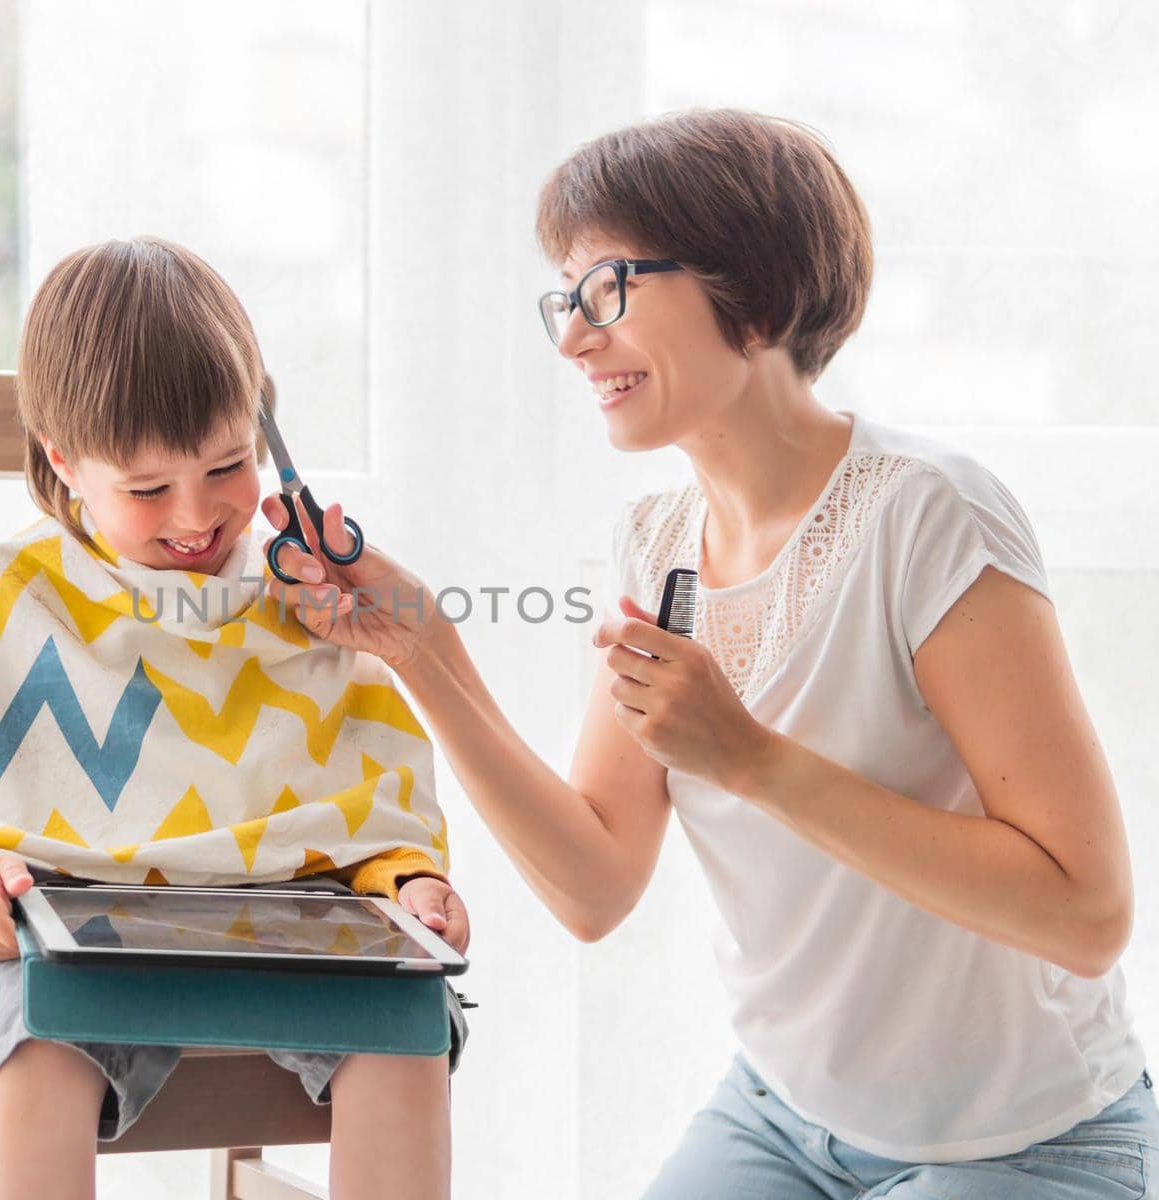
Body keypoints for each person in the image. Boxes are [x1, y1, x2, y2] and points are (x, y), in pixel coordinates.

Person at [263, 109, 1157, 1197]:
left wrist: (753, 760)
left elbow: (1085, 913)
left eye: (609, 289)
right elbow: (595, 885)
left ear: (757, 296)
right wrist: (422, 650)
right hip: (782, 1119)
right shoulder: (656, 544)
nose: (573, 339)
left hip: (1027, 1143)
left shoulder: (929, 518)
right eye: (567, 297)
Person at [0, 237, 468, 1200]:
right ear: (65, 463)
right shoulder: (25, 593)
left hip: (290, 921)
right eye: (146, 489)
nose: (198, 515)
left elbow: (369, 788)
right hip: (74, 920)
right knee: (32, 1043)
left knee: (406, 1028)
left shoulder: (304, 588)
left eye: (230, 466)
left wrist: (409, 880)